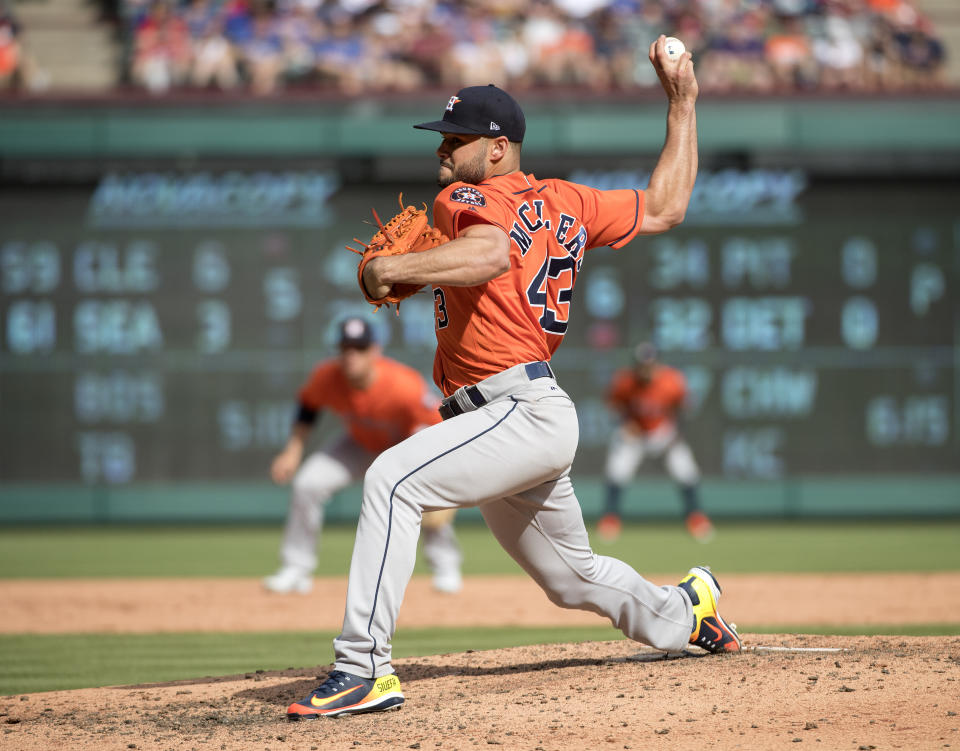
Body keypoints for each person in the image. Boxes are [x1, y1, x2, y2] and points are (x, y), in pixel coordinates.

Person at [287, 36, 740, 721]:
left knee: (390, 480)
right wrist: (683, 104)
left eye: (457, 138)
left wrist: (393, 270)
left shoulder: (464, 199)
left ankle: (362, 667)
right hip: (511, 417)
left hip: (515, 408)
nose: (443, 150)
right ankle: (686, 607)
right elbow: (665, 206)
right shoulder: (570, 201)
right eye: (443, 138)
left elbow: (492, 251)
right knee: (572, 576)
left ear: (496, 148)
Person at [264, 316, 463, 596]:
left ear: (375, 351)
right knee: (307, 484)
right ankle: (296, 568)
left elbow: (439, 422)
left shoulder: (402, 385)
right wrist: (293, 449)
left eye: (359, 348)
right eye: (345, 348)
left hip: (401, 446)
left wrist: (441, 472)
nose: (351, 356)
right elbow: (308, 406)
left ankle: (446, 567)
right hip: (357, 444)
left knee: (429, 502)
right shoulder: (327, 376)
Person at [597, 342, 714, 544]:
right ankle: (610, 519)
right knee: (616, 472)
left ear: (657, 363)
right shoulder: (625, 381)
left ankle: (696, 519)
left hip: (663, 431)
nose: (645, 369)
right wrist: (625, 425)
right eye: (642, 365)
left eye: (649, 364)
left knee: (686, 471)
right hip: (635, 432)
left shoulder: (671, 380)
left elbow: (684, 408)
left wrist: (676, 431)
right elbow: (613, 405)